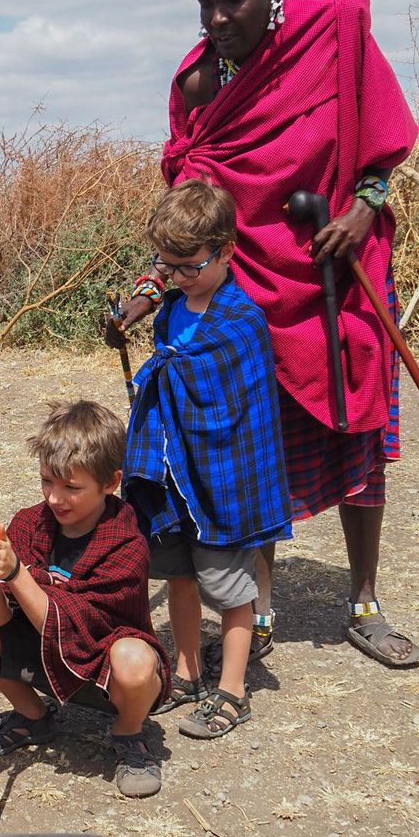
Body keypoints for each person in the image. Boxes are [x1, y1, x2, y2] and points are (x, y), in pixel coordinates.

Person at [111, 0, 419, 668]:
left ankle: (364, 601)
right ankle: (259, 606)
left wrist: (360, 210)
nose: (216, 18)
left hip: (338, 270)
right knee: (253, 445)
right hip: (247, 283)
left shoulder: (337, 40)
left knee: (361, 433)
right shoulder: (198, 85)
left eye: (232, 0)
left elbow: (385, 155)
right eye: (204, 4)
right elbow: (190, 209)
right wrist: (153, 285)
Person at [124, 182, 293, 738]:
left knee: (229, 588)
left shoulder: (242, 323)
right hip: (174, 477)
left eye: (188, 267)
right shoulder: (171, 308)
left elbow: (240, 416)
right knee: (177, 576)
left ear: (225, 252)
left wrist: (166, 371)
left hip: (222, 482)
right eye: (166, 267)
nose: (175, 277)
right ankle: (191, 671)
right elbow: (170, 378)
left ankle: (233, 691)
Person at [0, 400, 171, 798]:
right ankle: (33, 717)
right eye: (47, 481)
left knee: (135, 661)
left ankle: (128, 734)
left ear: (111, 482)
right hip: (43, 654)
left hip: (103, 670)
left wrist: (16, 573)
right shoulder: (30, 523)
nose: (54, 498)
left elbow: (84, 623)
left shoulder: (127, 544)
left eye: (71, 487)